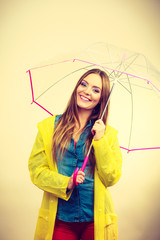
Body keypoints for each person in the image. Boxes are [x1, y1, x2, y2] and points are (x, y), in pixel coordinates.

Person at [28, 68, 123, 240]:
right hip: (61, 220)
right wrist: (67, 183)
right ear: (77, 87)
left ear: (102, 98)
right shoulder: (49, 127)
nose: (87, 91)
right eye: (84, 84)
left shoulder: (108, 134)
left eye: (96, 90)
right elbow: (37, 171)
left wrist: (100, 141)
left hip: (95, 221)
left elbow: (111, 178)